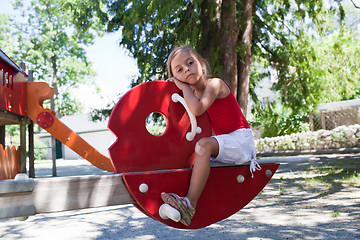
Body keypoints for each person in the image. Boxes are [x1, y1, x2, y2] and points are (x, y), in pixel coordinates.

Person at [161, 45, 260, 226]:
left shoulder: (214, 84)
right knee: (195, 153)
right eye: (180, 70)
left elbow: (198, 109)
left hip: (240, 140)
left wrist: (182, 87)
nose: (187, 70)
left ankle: (189, 204)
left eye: (190, 63)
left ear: (202, 64)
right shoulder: (192, 94)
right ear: (175, 77)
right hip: (226, 144)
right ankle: (177, 198)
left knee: (204, 146)